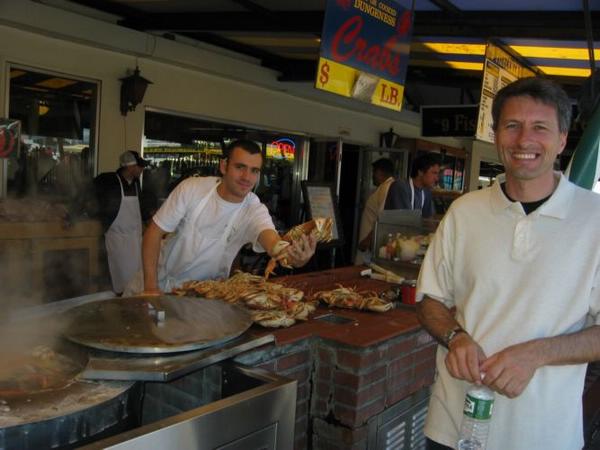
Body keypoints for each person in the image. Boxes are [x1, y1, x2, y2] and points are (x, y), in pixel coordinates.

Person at [416, 77, 600, 450]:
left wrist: (537, 353)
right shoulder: (465, 212)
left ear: (562, 139)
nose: (523, 140)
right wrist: (456, 337)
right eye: (512, 126)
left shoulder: (593, 218)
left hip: (545, 435)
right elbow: (429, 299)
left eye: (540, 128)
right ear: (496, 134)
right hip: (453, 427)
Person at [125, 139, 316, 296]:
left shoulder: (253, 208)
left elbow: (272, 241)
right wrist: (151, 288)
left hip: (204, 296)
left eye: (254, 171)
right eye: (240, 167)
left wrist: (293, 256)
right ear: (224, 166)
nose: (246, 177)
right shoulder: (192, 188)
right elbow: (154, 232)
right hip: (157, 284)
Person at [94, 150, 153, 294]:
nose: (142, 169)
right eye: (140, 166)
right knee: (121, 279)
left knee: (137, 278)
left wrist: (150, 217)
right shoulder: (109, 180)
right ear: (130, 166)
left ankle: (133, 302)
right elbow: (86, 194)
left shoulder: (135, 183)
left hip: (135, 239)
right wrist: (72, 214)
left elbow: (140, 205)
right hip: (118, 240)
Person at [355, 158, 395, 264]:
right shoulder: (386, 187)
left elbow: (382, 220)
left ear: (379, 172)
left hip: (370, 247)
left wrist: (367, 241)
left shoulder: (386, 188)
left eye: (373, 172)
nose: (373, 176)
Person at [384, 153, 440, 217]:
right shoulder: (400, 187)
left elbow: (429, 219)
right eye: (434, 173)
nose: (437, 178)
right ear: (420, 172)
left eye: (437, 174)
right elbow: (406, 220)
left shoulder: (426, 192)